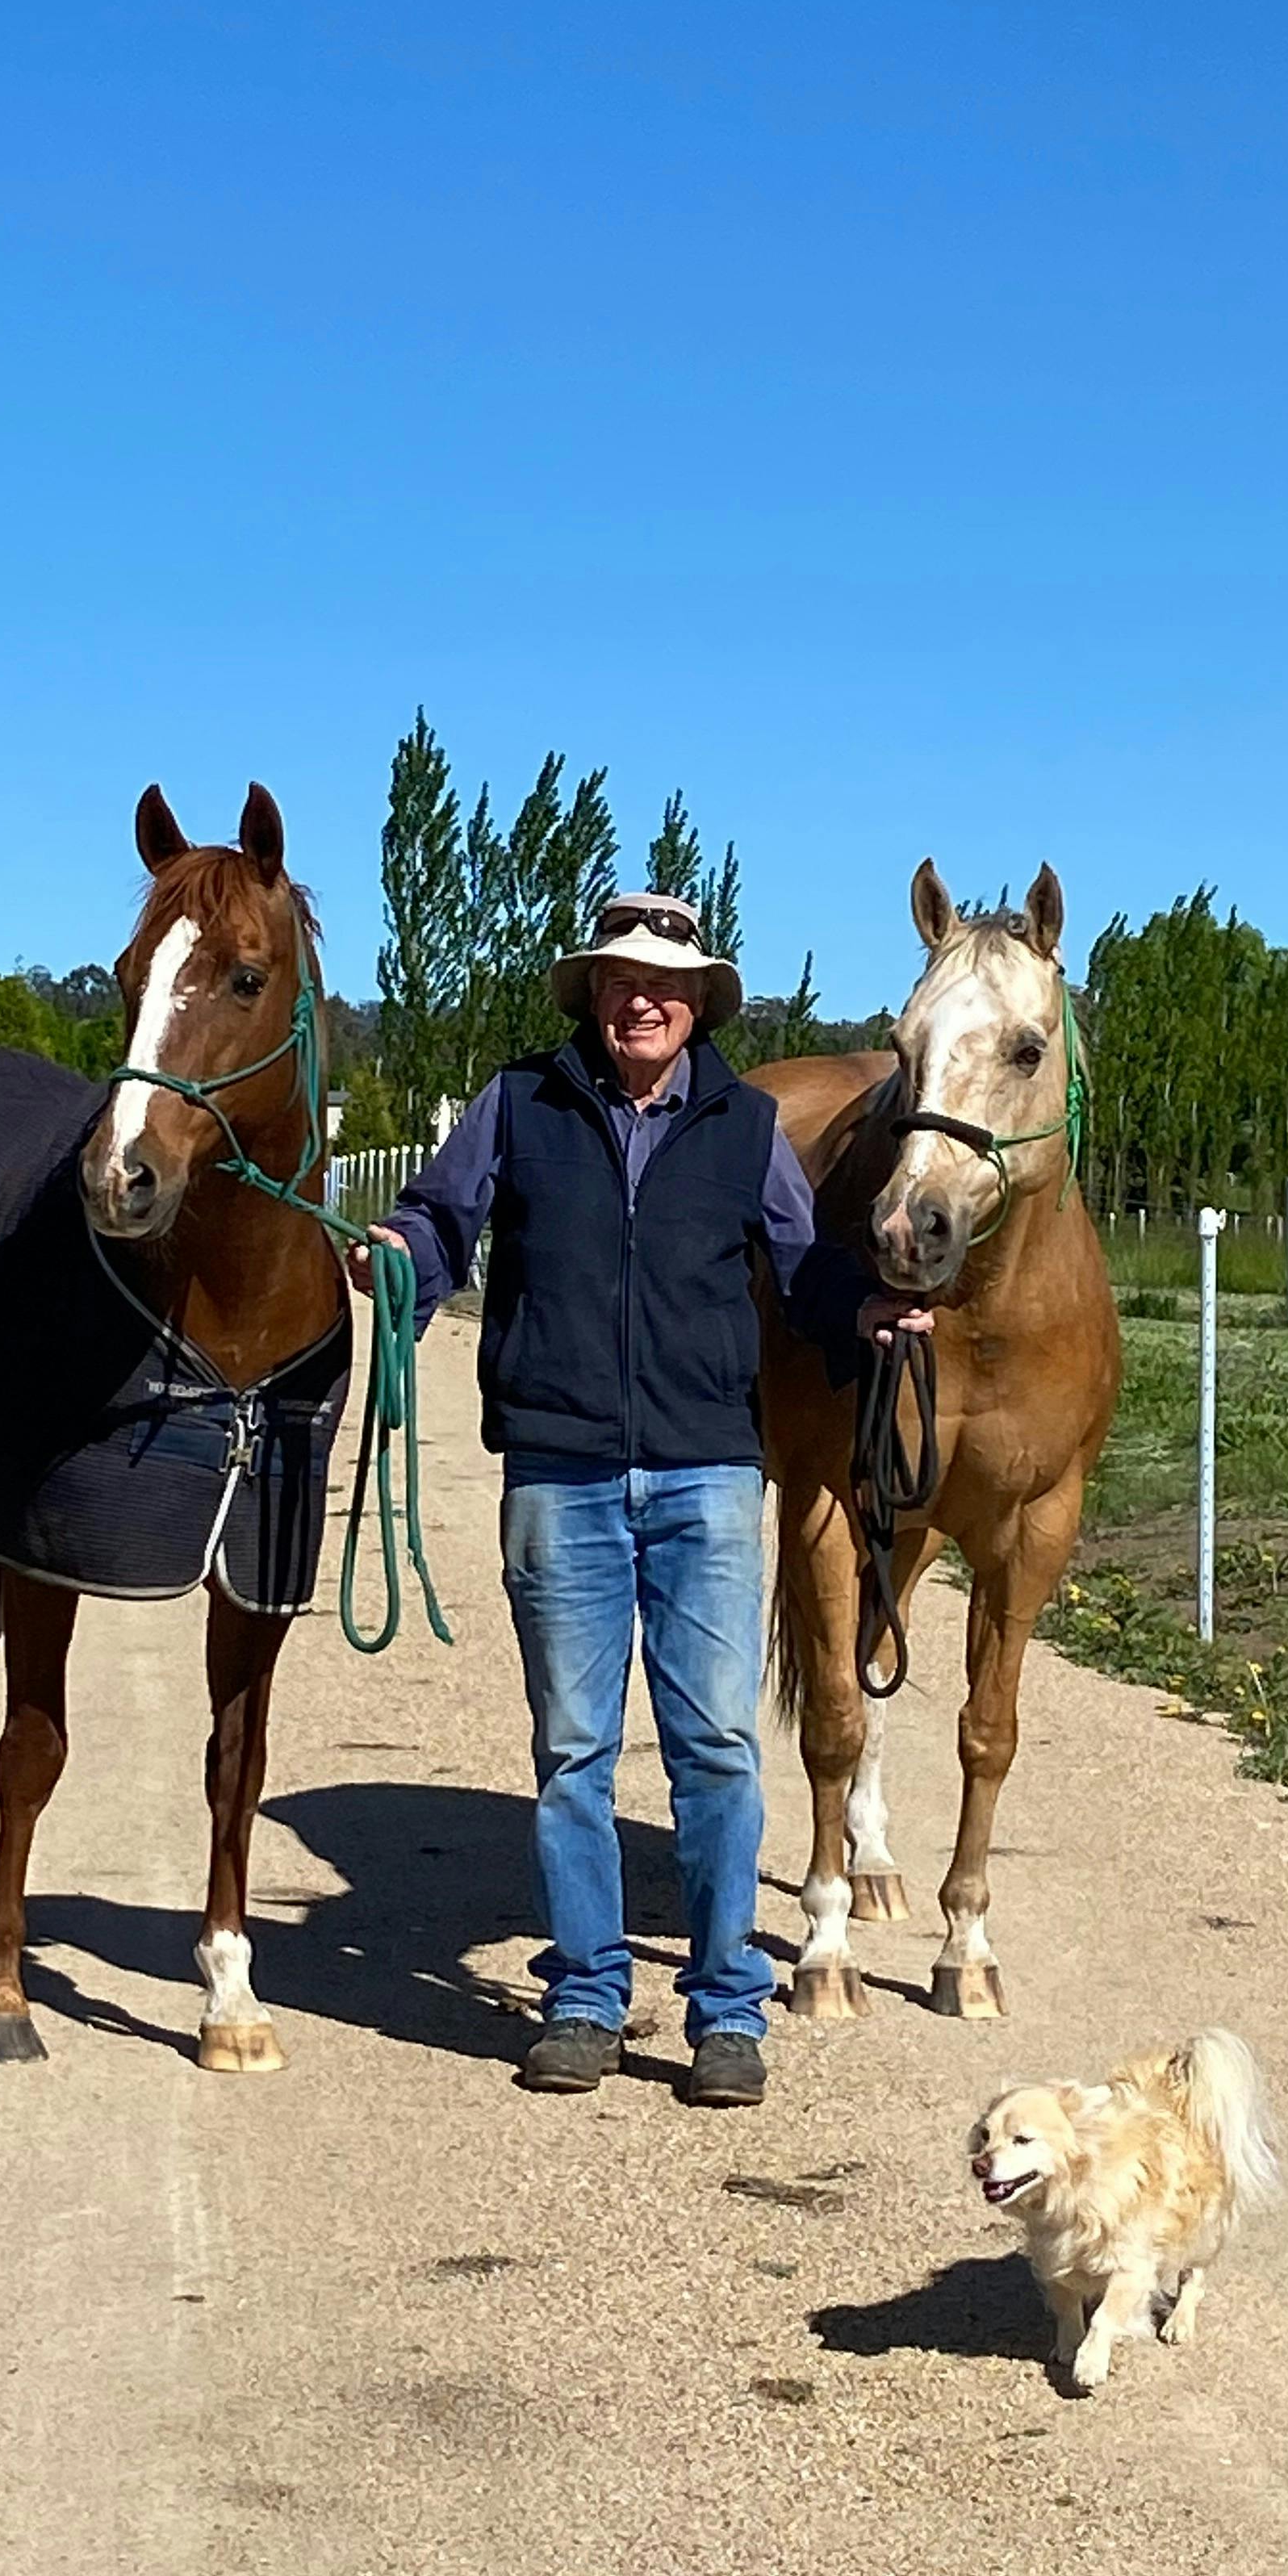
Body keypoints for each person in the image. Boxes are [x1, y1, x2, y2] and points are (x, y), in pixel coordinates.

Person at [349, 889, 926, 2106]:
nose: (642, 1001)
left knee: (715, 1749)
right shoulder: (519, 1102)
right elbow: (443, 1221)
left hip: (709, 1473)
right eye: (620, 983)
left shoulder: (747, 1123)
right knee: (573, 1755)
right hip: (558, 1473)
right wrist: (398, 1255)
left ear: (698, 1004)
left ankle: (725, 2009)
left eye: (664, 985)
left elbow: (801, 1264)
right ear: (594, 997)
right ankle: (585, 1997)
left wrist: (864, 1309)